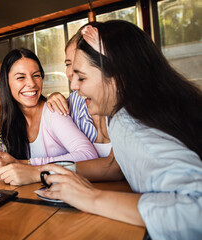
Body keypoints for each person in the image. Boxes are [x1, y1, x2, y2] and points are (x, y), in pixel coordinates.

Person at [36, 20, 202, 240]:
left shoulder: (129, 122)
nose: (74, 86)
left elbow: (195, 208)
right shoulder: (155, 107)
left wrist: (90, 197)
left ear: (117, 75)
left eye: (82, 77)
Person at [0, 48, 98, 185]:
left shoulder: (53, 111)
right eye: (21, 77)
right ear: (6, 82)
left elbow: (88, 156)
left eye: (36, 75)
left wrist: (24, 164)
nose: (32, 83)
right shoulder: (10, 120)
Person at [47, 24, 122, 181]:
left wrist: (40, 171)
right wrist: (52, 97)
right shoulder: (73, 101)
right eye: (68, 64)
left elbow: (115, 167)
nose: (71, 73)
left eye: (79, 64)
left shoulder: (126, 108)